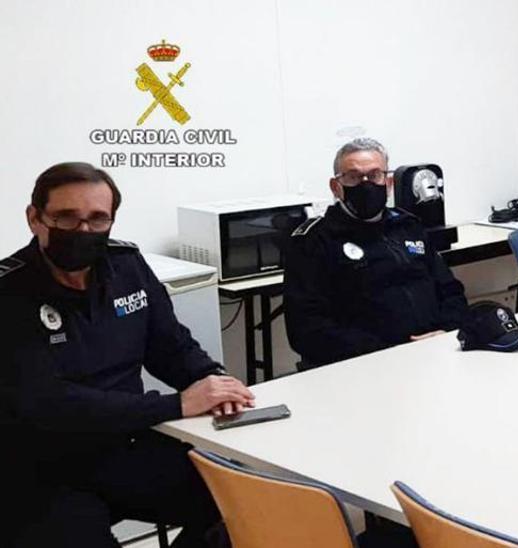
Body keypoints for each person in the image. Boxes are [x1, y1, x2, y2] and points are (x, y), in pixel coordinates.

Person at [0, 162, 254, 548]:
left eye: (98, 219)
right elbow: (49, 403)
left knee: (245, 502)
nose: (84, 231)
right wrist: (177, 405)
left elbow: (170, 345)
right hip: (41, 467)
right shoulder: (8, 292)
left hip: (125, 445)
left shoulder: (127, 266)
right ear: (35, 218)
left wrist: (212, 380)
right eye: (67, 218)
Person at [285, 138, 468, 368]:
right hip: (365, 365)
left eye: (374, 176)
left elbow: (451, 291)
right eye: (353, 177)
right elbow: (306, 329)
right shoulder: (314, 241)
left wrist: (446, 330)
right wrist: (389, 351)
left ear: (388, 182)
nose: (365, 184)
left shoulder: (408, 226)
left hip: (433, 351)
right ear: (336, 187)